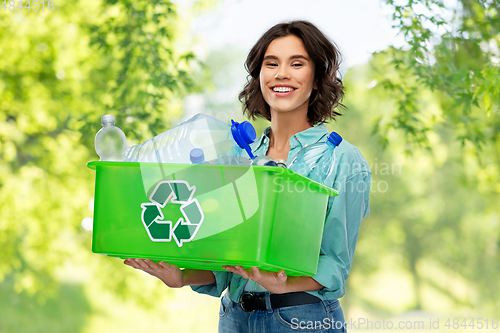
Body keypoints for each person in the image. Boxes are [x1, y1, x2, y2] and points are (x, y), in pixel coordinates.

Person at [124, 20, 371, 333]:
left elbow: (336, 263)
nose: (281, 73)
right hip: (235, 318)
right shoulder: (239, 157)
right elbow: (226, 261)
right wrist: (182, 276)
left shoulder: (342, 160)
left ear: (318, 77)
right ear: (260, 76)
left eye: (297, 63)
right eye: (271, 64)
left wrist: (283, 283)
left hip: (300, 319)